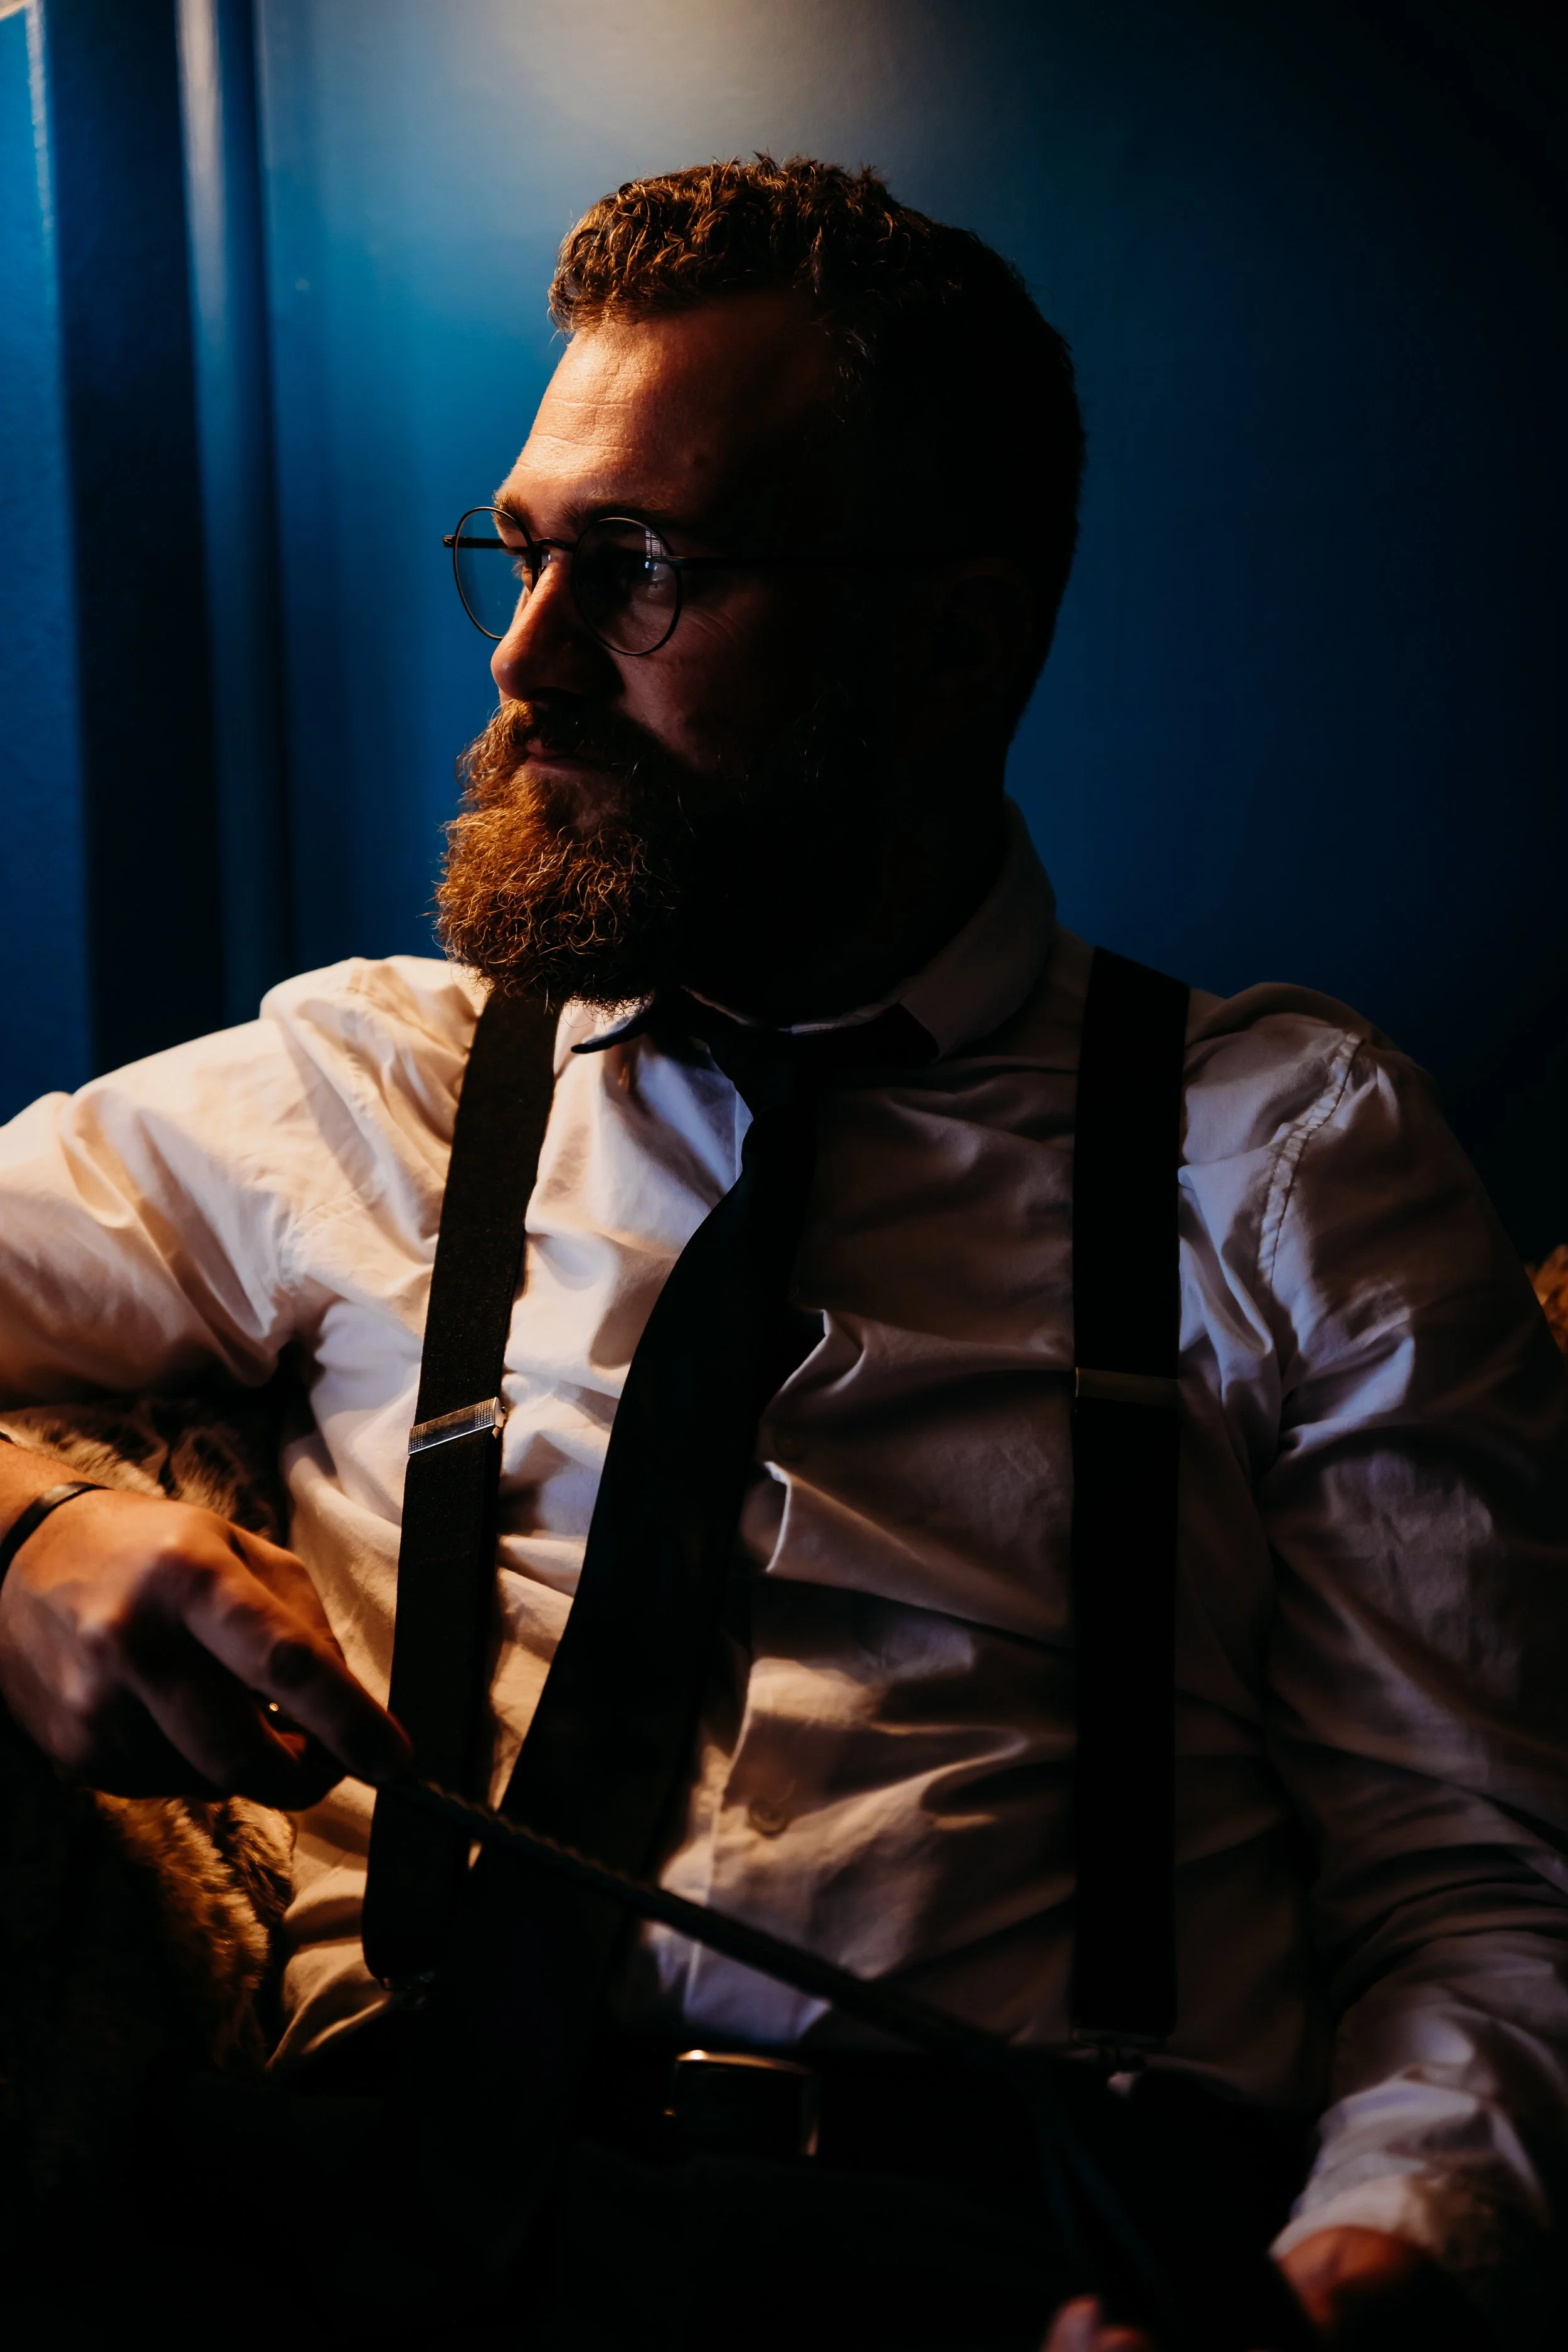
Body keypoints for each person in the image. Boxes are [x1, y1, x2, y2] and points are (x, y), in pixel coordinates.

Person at [0, 156, 1563, 2350]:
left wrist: (1342, 2286)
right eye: (521, 555)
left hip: (989, 2265)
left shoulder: (1286, 1153)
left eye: (644, 569)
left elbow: (1478, 1894)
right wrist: (27, 1533)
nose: (527, 661)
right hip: (367, 2227)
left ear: (950, 639)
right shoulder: (367, 1081)